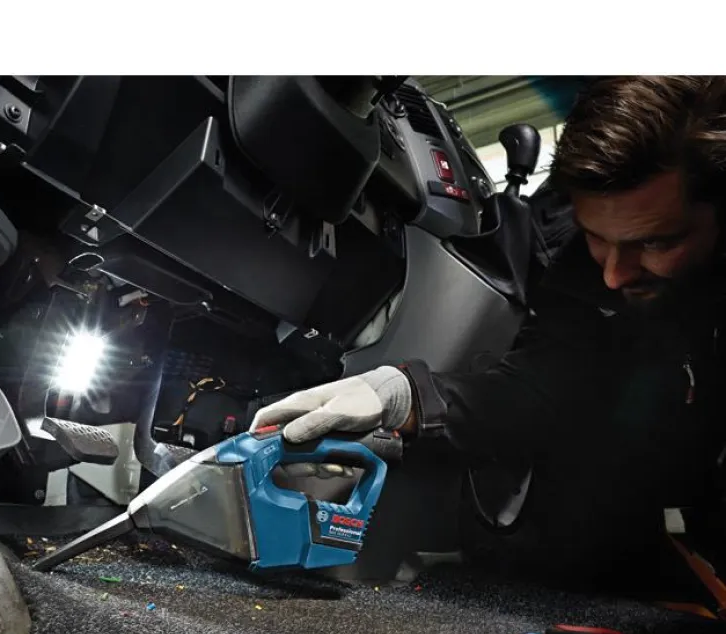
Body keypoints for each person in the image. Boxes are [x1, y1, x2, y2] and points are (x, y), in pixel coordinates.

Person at [251, 77, 726, 582]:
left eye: (654, 244)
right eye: (596, 237)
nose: (614, 274)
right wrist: (404, 396)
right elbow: (541, 386)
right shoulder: (579, 265)